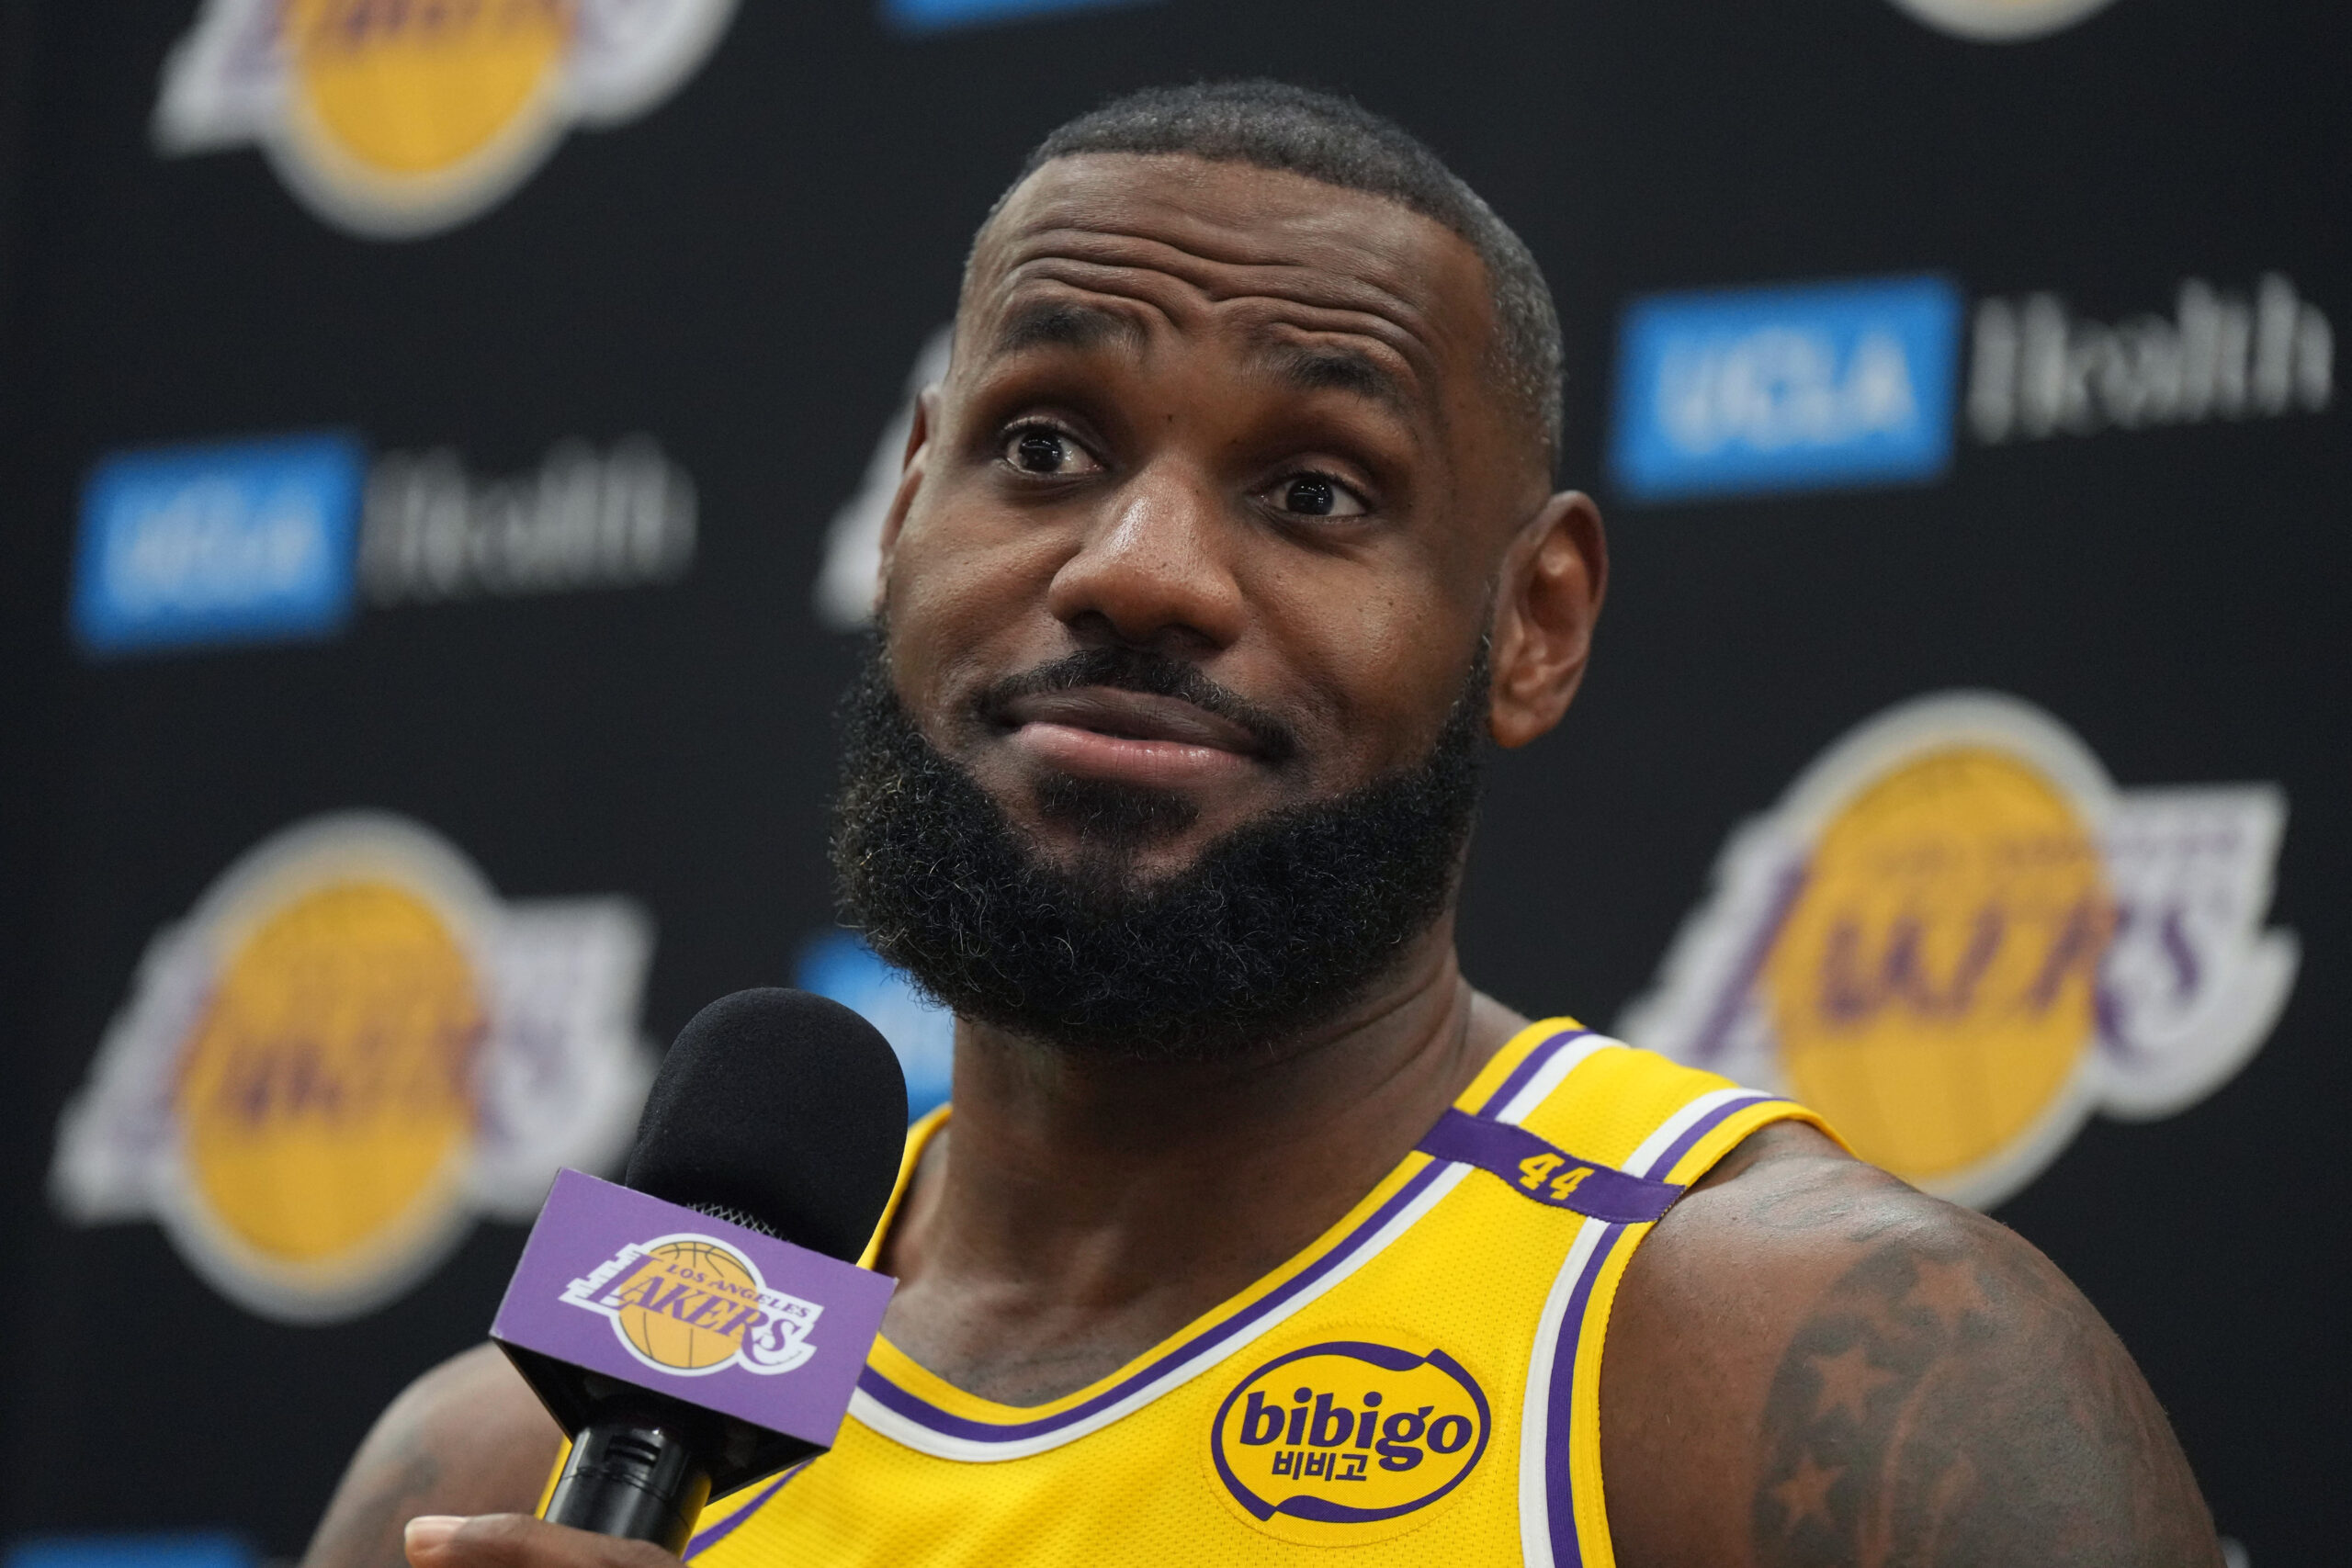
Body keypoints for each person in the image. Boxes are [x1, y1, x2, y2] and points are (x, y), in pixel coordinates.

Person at [304, 81, 2222, 1568]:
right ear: (903, 511)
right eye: (1040, 446)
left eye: (1313, 490)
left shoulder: (1788, 1373)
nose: (1136, 572)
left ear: (1530, 623)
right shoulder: (514, 1456)